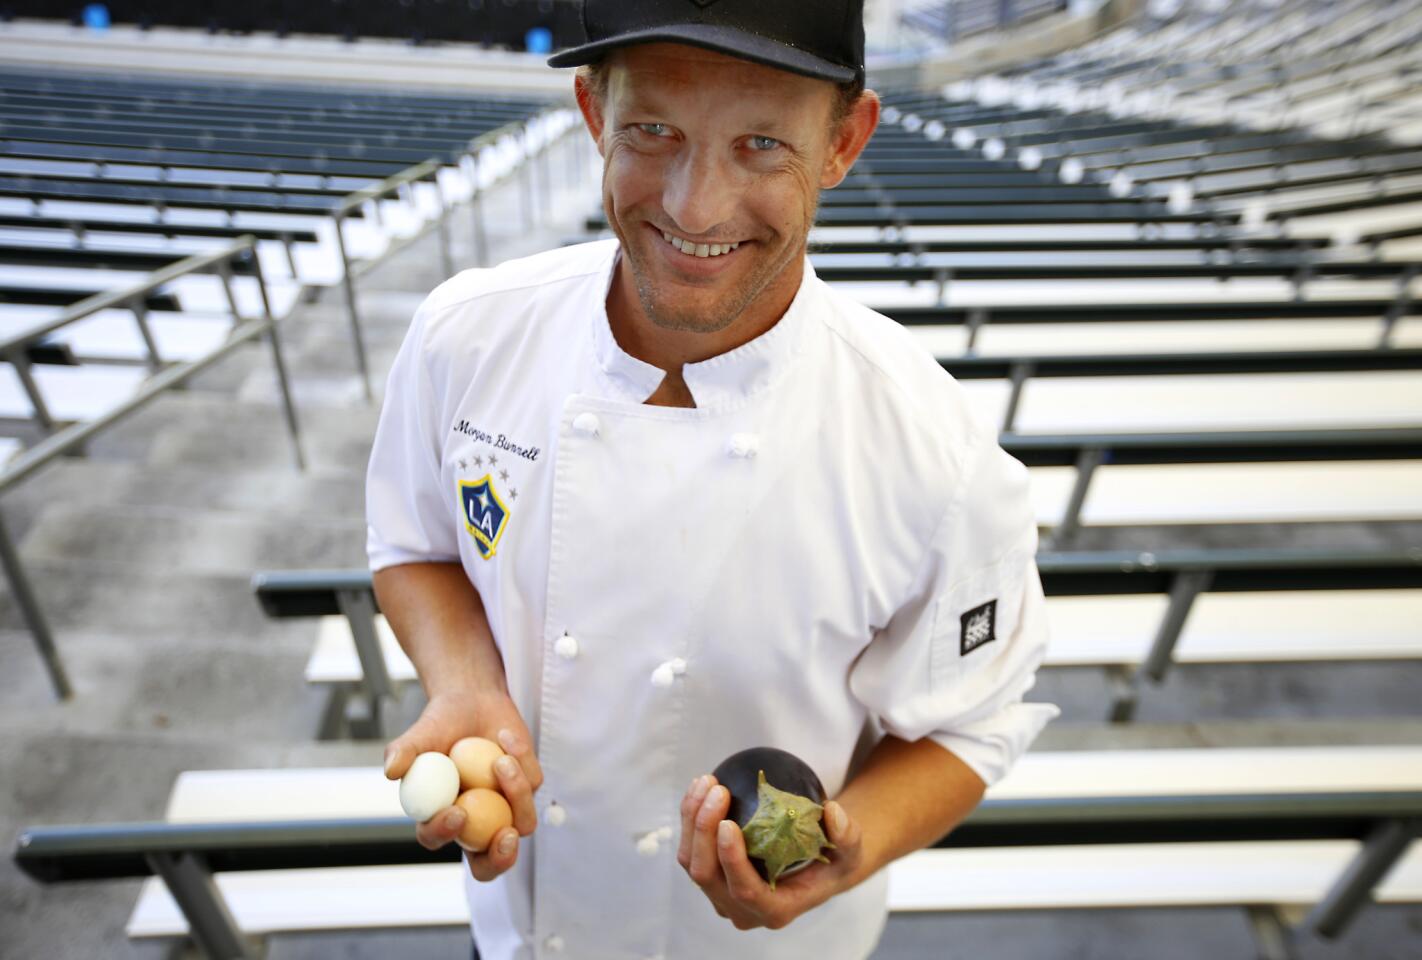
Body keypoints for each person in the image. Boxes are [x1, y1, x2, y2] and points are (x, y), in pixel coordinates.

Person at [365, 0, 1060, 957]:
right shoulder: (467, 336)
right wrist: (465, 682)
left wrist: (847, 856)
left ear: (843, 142)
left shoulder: (933, 451)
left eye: (763, 144)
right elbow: (416, 548)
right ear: (593, 113)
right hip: (524, 933)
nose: (695, 207)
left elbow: (975, 724)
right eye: (653, 130)